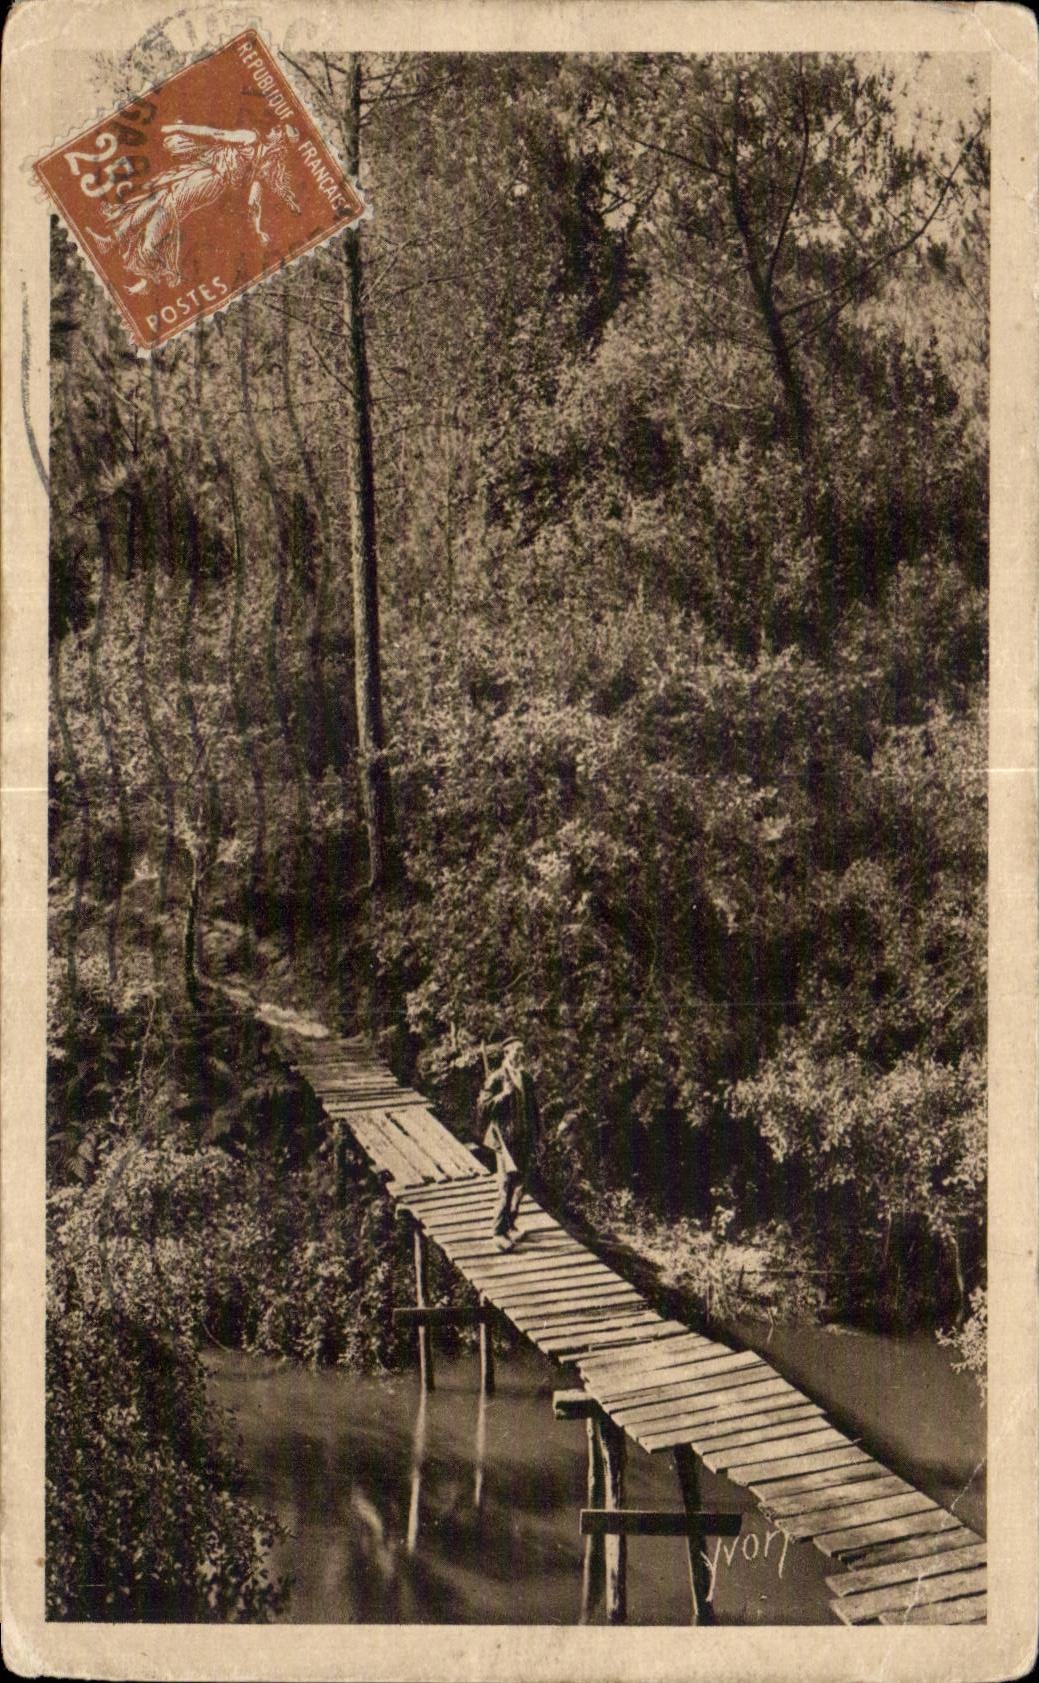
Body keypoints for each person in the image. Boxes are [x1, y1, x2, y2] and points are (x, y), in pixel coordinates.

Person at [87, 123, 301, 291]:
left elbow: (215, 134)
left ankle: (148, 254)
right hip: (205, 172)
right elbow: (253, 200)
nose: (272, 129)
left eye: (277, 129)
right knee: (160, 194)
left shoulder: (252, 140)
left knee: (168, 204)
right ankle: (115, 239)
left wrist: (180, 128)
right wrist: (257, 228)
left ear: (280, 139)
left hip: (209, 177)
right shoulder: (260, 156)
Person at [477, 1039, 540, 1250]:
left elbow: (533, 1111)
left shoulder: (526, 1078)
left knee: (520, 1185)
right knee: (505, 1185)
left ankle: (511, 1223)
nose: (521, 1055)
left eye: (523, 1050)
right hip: (503, 1140)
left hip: (523, 1139)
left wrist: (538, 1136)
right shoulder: (496, 1078)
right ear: (507, 1053)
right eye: (517, 1051)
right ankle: (498, 1232)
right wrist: (503, 1096)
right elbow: (482, 1109)